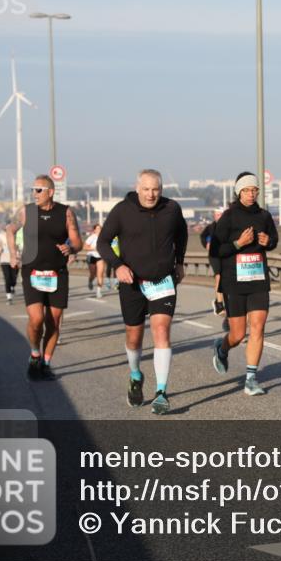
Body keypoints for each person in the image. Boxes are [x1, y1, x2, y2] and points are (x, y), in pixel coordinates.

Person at [97, 169, 187, 415]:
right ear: (138, 189)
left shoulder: (172, 209)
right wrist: (118, 266)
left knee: (161, 330)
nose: (151, 194)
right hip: (132, 282)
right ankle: (136, 375)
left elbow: (181, 233)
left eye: (155, 189)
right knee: (134, 337)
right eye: (146, 189)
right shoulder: (122, 211)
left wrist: (179, 261)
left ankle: (161, 392)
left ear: (161, 188)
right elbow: (102, 242)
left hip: (163, 282)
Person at [7, 176, 83, 380]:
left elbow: (77, 241)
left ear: (51, 192)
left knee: (54, 322)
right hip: (32, 271)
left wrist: (71, 247)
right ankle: (34, 353)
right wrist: (13, 253)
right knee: (37, 318)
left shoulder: (66, 212)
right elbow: (10, 229)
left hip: (57, 272)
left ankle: (46, 363)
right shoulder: (26, 211)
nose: (35, 193)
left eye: (39, 190)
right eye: (33, 189)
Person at [210, 172, 279, 396]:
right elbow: (216, 250)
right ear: (239, 192)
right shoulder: (229, 217)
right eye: (246, 190)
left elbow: (274, 240)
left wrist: (268, 242)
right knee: (238, 334)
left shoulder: (264, 216)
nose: (251, 194)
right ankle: (222, 348)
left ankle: (251, 379)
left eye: (254, 190)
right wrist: (238, 243)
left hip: (258, 279)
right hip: (234, 282)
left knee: (258, 327)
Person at [201, 209, 229, 328]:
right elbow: (204, 237)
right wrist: (206, 243)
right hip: (214, 255)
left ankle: (221, 300)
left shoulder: (229, 226)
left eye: (221, 215)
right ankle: (218, 303)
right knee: (219, 276)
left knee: (224, 278)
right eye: (217, 215)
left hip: (225, 254)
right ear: (214, 216)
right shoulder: (210, 227)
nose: (219, 216)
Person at [0, 228, 17, 304]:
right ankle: (9, 297)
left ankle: (12, 286)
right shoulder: (0, 237)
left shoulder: (15, 236)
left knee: (14, 278)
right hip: (4, 260)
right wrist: (0, 248)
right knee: (7, 278)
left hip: (15, 260)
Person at [84, 223, 106, 298]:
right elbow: (85, 247)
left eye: (100, 229)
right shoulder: (92, 237)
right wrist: (94, 248)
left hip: (100, 257)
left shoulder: (104, 238)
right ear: (94, 230)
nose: (99, 230)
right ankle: (90, 281)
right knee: (93, 274)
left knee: (100, 274)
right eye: (97, 229)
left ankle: (98, 292)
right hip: (91, 256)